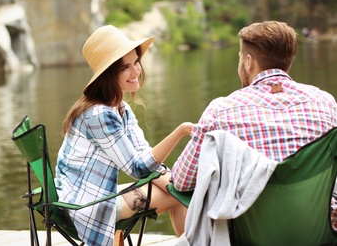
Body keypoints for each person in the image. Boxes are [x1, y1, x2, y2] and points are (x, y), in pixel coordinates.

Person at [54, 25, 192, 246]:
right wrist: (181, 132)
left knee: (178, 190)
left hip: (95, 193)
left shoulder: (121, 109)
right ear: (109, 75)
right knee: (177, 197)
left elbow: (146, 157)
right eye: (125, 67)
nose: (136, 72)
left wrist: (178, 183)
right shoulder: (99, 115)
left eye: (136, 62)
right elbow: (138, 169)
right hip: (86, 204)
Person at [171, 20, 337, 191]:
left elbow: (182, 181)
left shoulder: (220, 111)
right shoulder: (325, 103)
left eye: (240, 58)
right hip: (317, 217)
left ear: (248, 62)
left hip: (248, 217)